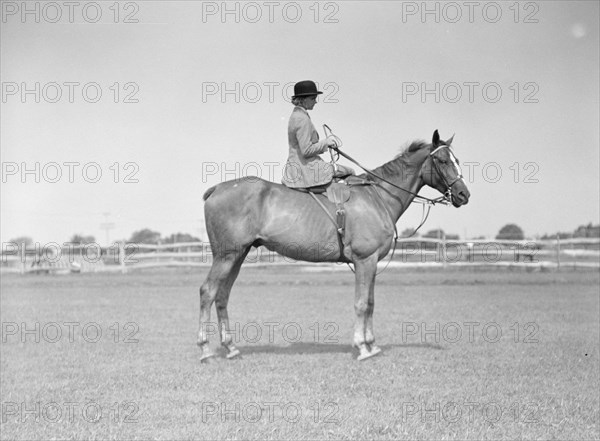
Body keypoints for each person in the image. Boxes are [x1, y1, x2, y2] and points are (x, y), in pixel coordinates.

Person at [282, 80, 354, 189]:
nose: (315, 102)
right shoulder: (302, 119)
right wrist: (326, 142)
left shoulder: (297, 115)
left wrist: (325, 145)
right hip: (307, 169)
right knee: (350, 171)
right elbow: (306, 151)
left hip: (298, 167)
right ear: (303, 100)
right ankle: (339, 205)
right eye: (313, 99)